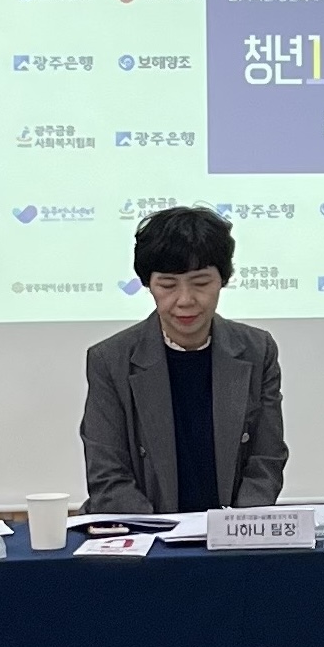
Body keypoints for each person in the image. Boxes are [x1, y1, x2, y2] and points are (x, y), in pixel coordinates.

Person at [80, 206, 286, 513]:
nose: (185, 300)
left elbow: (266, 461)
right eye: (167, 285)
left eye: (201, 283)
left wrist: (235, 528)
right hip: (147, 532)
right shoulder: (110, 360)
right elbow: (108, 476)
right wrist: (161, 533)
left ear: (223, 280)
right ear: (148, 284)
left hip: (231, 532)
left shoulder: (258, 350)